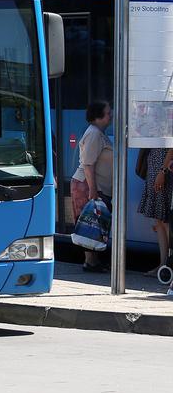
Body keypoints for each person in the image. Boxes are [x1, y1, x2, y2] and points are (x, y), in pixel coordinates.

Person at [71, 100, 114, 272]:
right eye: (108, 113)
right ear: (98, 117)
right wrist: (93, 190)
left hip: (96, 185)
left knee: (96, 222)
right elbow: (88, 164)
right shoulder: (94, 134)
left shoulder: (98, 133)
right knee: (91, 222)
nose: (111, 116)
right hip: (88, 185)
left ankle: (93, 261)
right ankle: (90, 262)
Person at [138, 147, 173, 275]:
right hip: (155, 168)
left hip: (164, 169)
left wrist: (162, 171)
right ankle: (163, 265)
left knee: (165, 221)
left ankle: (169, 265)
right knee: (159, 221)